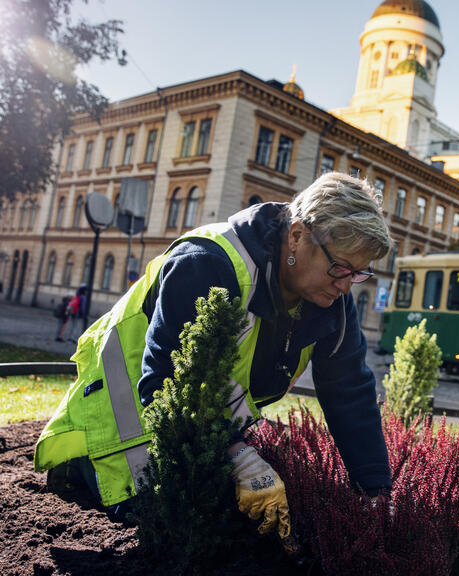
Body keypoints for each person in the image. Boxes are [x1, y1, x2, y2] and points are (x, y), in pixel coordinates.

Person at [35, 172, 393, 546]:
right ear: (298, 235)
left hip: (198, 430)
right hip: (117, 431)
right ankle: (74, 471)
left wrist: (376, 493)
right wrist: (236, 453)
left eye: (359, 273)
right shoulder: (208, 262)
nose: (346, 283)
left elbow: (350, 393)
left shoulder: (332, 301)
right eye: (340, 267)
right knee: (184, 537)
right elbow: (167, 384)